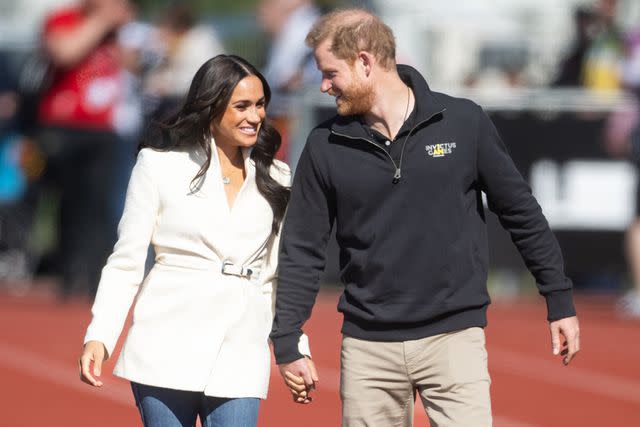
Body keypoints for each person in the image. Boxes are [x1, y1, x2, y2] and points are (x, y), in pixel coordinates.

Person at [270, 9, 581, 426]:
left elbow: (521, 212)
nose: (323, 86)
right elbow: (302, 246)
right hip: (367, 347)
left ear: (365, 62)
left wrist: (557, 299)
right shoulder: (325, 145)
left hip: (454, 338)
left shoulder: (464, 122)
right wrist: (288, 337)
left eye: (330, 73)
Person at [78, 54, 311, 427]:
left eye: (260, 105)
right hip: (165, 341)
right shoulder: (157, 166)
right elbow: (126, 262)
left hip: (242, 345)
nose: (255, 116)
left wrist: (295, 348)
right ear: (210, 107)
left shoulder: (278, 175)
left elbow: (279, 275)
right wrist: (100, 335)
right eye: (242, 106)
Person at [36, 0, 134, 298]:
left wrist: (124, 33)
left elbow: (133, 64)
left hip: (104, 128)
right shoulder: (63, 18)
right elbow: (65, 52)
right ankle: (68, 273)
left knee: (100, 205)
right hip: (64, 125)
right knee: (68, 202)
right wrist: (102, 22)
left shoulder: (120, 29)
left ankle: (95, 276)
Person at [258, 0, 320, 161]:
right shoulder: (295, 23)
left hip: (294, 116)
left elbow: (290, 75)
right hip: (284, 115)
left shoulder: (304, 24)